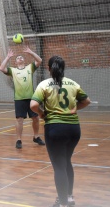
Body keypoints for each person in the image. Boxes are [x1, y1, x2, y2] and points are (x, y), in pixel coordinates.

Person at [30, 56, 91, 207]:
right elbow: (86, 101)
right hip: (74, 129)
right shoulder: (73, 83)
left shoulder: (44, 84)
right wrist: (75, 109)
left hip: (55, 129)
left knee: (59, 166)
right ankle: (69, 198)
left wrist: (43, 114)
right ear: (63, 68)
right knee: (67, 162)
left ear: (49, 68)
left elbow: (33, 105)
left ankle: (63, 203)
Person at [0, 46, 45, 149]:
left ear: (24, 60)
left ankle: (36, 137)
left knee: (35, 118)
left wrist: (31, 52)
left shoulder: (30, 67)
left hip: (31, 98)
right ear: (15, 62)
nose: (20, 58)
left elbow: (40, 60)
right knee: (20, 119)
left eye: (21, 57)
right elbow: (1, 68)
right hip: (19, 99)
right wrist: (7, 57)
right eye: (18, 58)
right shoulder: (13, 70)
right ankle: (19, 140)